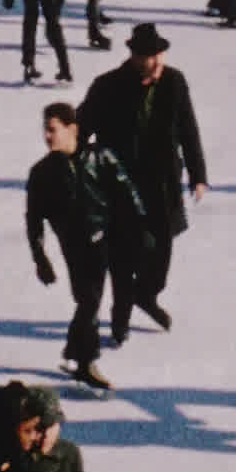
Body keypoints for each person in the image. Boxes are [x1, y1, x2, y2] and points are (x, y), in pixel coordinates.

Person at [78, 24, 208, 342]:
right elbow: (81, 129)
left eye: (157, 55)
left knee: (161, 250)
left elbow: (188, 129)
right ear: (134, 57)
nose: (154, 62)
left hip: (162, 182)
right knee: (123, 256)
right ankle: (119, 320)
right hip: (121, 184)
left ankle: (146, 294)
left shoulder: (175, 82)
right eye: (147, 56)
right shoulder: (108, 86)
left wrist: (198, 174)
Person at [25, 101, 146, 392]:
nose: (47, 136)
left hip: (107, 237)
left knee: (89, 300)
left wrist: (140, 231)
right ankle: (85, 362)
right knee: (89, 301)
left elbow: (127, 192)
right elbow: (34, 219)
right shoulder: (42, 172)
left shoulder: (100, 157)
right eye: (45, 130)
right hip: (75, 247)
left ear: (73, 129)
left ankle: (76, 353)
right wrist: (40, 258)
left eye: (53, 129)